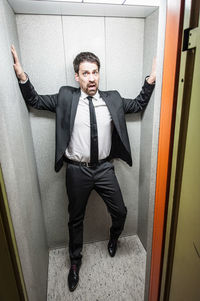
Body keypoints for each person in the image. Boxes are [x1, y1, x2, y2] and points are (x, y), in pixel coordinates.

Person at [11, 44, 156, 292]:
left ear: (99, 74)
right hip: (76, 171)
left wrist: (150, 81)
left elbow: (139, 104)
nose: (91, 78)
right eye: (86, 73)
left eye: (95, 72)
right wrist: (22, 76)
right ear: (77, 76)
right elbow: (34, 100)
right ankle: (75, 263)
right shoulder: (66, 97)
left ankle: (113, 237)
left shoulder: (113, 99)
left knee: (120, 211)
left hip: (104, 169)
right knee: (75, 219)